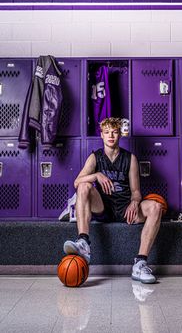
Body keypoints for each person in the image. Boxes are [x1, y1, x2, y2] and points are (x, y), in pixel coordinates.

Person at [63, 117, 164, 284]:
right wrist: (96, 175)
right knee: (83, 186)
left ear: (120, 135)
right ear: (101, 135)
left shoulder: (130, 158)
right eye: (107, 132)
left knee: (156, 207)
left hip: (125, 208)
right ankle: (83, 242)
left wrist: (134, 202)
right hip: (102, 207)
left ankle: (140, 263)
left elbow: (136, 191)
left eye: (115, 132)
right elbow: (76, 182)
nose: (111, 135)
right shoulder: (95, 157)